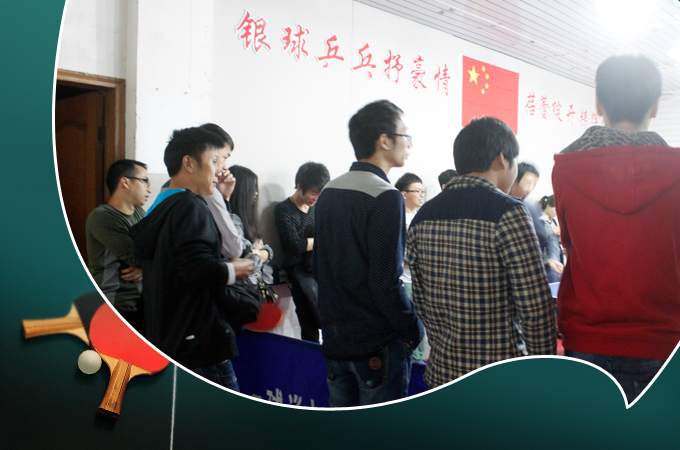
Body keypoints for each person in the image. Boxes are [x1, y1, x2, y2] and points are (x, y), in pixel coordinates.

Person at [553, 54, 680, 402]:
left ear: (598, 102)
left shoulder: (566, 168)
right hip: (663, 341)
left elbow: (570, 244)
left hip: (586, 339)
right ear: (656, 106)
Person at [406, 117, 556, 388]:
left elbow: (421, 301)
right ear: (502, 159)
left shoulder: (423, 216)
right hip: (499, 379)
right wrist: (543, 373)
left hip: (442, 375)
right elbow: (535, 309)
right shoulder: (509, 212)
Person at [314, 100, 424, 407]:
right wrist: (413, 329)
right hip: (376, 345)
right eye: (406, 135)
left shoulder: (329, 191)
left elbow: (319, 267)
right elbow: (385, 282)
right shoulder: (385, 196)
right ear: (384, 140)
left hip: (336, 340)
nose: (409, 144)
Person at [130, 126, 254, 391]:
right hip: (198, 338)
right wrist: (235, 269)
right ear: (188, 163)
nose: (218, 170)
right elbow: (196, 267)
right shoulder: (190, 205)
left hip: (168, 335)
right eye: (213, 160)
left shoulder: (162, 205)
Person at [85, 159, 150, 332]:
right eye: (144, 181)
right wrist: (145, 265)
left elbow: (156, 247)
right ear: (125, 182)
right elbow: (137, 256)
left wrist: (144, 269)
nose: (149, 189)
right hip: (116, 304)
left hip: (139, 301)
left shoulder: (139, 212)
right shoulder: (103, 217)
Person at [274, 162, 330, 343]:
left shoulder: (317, 209)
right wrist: (319, 241)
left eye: (320, 193)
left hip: (320, 270)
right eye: (314, 193)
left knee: (328, 321)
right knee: (309, 324)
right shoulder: (284, 209)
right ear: (299, 186)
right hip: (300, 273)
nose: (316, 198)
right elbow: (293, 246)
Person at [395, 172, 428, 361]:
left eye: (422, 191)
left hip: (420, 280)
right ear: (404, 194)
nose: (421, 195)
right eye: (417, 191)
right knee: (410, 325)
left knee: (421, 325)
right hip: (404, 279)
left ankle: (418, 360)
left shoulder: (420, 216)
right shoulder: (397, 218)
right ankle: (412, 361)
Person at [510, 163, 563, 278]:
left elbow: (549, 237)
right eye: (527, 183)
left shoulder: (532, 208)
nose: (530, 189)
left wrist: (552, 258)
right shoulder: (502, 206)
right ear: (514, 180)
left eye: (534, 184)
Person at [229, 165, 274, 284]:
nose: (256, 193)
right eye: (252, 188)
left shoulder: (249, 219)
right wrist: (260, 253)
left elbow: (268, 251)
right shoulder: (232, 220)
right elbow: (248, 257)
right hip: (244, 285)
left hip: (257, 283)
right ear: (240, 190)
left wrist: (259, 252)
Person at [539, 195, 563, 283]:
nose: (556, 213)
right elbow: (542, 237)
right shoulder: (540, 220)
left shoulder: (553, 221)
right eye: (555, 210)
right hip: (547, 260)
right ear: (548, 206)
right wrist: (555, 231)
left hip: (556, 256)